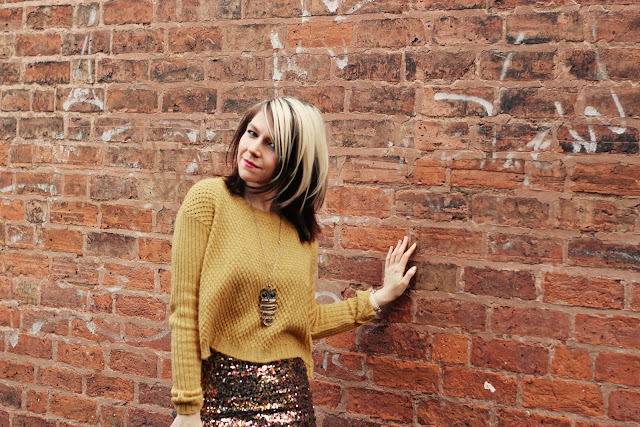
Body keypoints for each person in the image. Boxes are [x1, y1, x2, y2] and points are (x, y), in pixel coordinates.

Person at [169, 96, 417, 426]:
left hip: (289, 401)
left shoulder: (302, 233)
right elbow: (185, 310)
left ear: (294, 160)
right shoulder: (208, 200)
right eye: (252, 133)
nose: (253, 149)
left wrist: (380, 297)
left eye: (271, 144)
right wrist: (187, 408)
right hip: (216, 399)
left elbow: (305, 321)